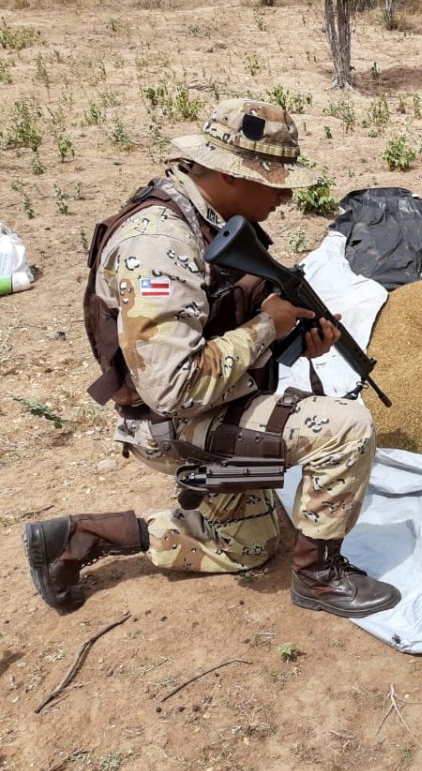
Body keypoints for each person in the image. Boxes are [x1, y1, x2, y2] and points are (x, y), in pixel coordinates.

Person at [23, 99, 400, 619]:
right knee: (345, 428)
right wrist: (268, 326)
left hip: (209, 403)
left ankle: (78, 536)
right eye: (275, 182)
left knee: (251, 545)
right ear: (233, 175)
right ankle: (319, 577)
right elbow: (172, 387)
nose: (287, 195)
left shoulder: (205, 217)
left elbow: (216, 322)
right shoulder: (159, 244)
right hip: (171, 420)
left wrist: (289, 337)